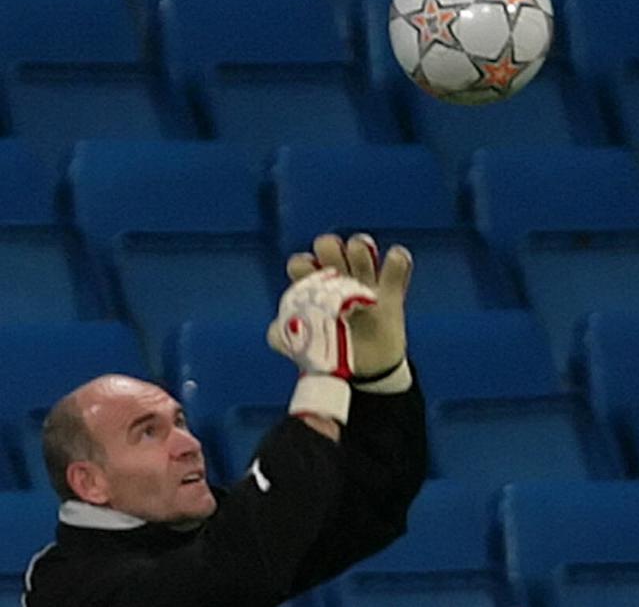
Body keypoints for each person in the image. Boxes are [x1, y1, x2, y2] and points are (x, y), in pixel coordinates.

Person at [23, 233, 428, 606]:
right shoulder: (66, 586)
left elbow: (371, 505)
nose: (188, 445)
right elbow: (228, 577)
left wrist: (380, 381)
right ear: (90, 483)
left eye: (180, 422)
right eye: (147, 433)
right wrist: (320, 388)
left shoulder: (204, 531)